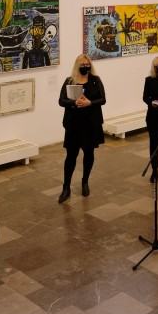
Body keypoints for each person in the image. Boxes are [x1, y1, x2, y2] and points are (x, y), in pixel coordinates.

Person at [58, 54, 106, 203]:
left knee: (89, 153)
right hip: (74, 124)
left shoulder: (95, 80)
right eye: (83, 65)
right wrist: (74, 103)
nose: (85, 67)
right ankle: (66, 187)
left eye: (87, 64)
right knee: (71, 156)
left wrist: (89, 103)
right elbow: (61, 101)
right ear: (77, 66)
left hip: (90, 124)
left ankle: (85, 182)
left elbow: (103, 99)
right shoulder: (69, 81)